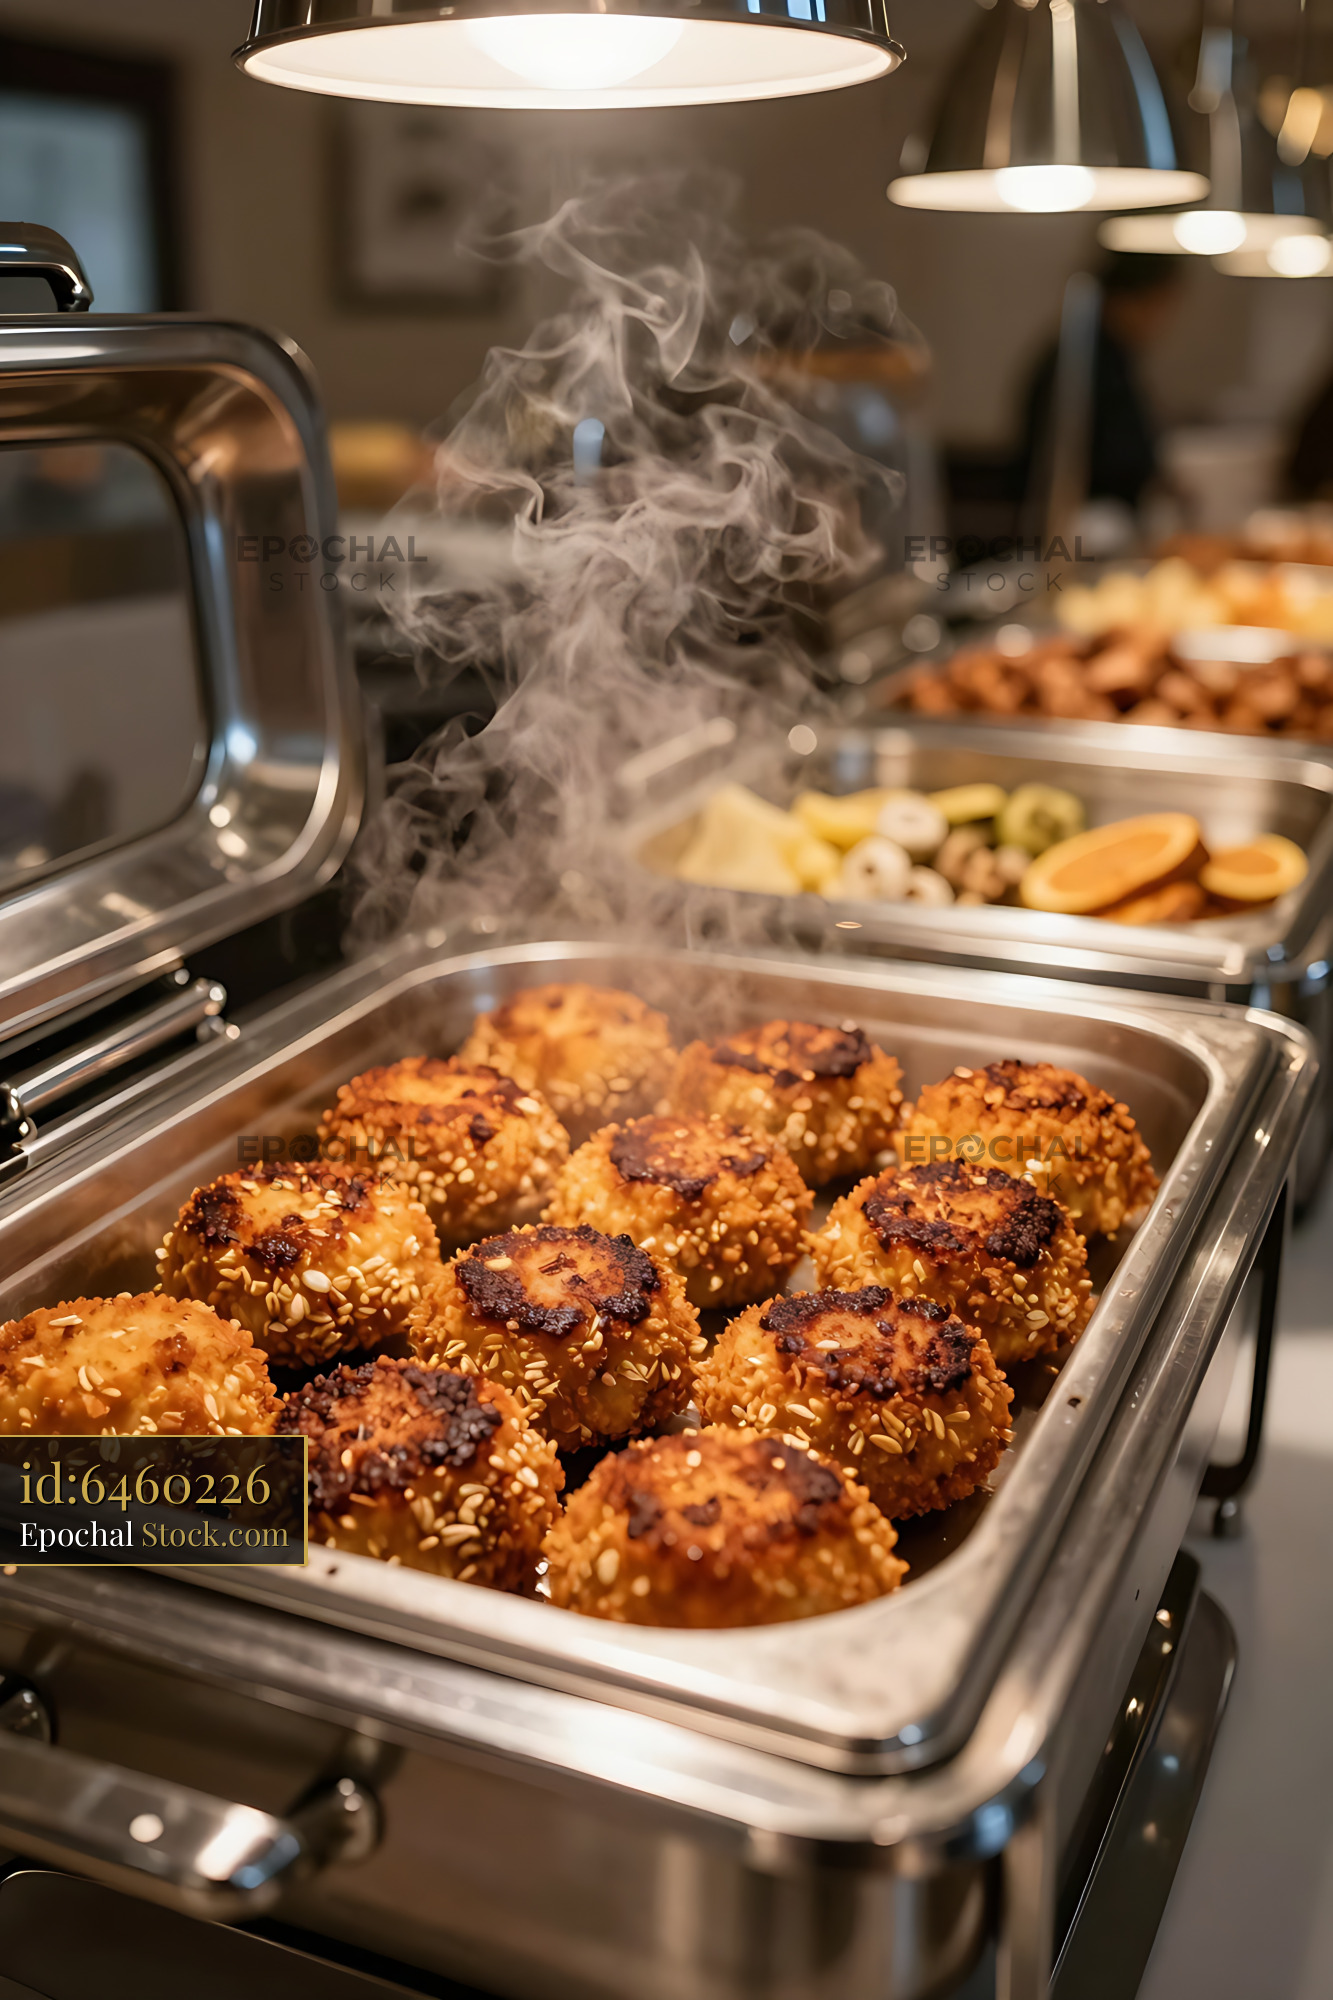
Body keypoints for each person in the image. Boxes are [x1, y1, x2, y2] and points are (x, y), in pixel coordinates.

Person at [1017, 251, 1186, 518]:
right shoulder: (1083, 358)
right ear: (1127, 299)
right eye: (1159, 304)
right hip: (1081, 520)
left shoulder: (1113, 357)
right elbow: (1116, 460)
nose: (1162, 320)